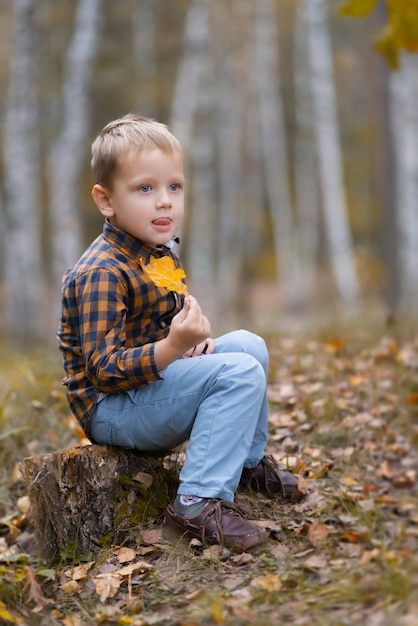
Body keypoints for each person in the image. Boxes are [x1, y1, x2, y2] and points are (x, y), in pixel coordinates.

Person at [57, 113, 301, 554]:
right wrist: (173, 347)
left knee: (249, 345)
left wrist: (191, 345)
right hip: (111, 408)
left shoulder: (156, 253)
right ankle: (194, 504)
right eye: (145, 189)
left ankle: (244, 464)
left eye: (174, 187)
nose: (165, 202)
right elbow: (105, 372)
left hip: (147, 386)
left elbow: (159, 331)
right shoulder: (101, 271)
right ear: (106, 200)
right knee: (238, 372)